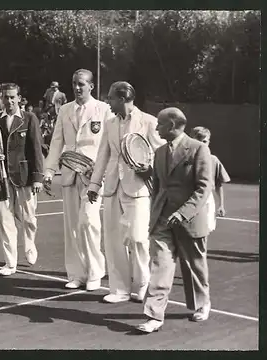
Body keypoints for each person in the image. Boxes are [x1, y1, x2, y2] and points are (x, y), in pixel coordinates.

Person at [136, 107, 213, 333]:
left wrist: (182, 213)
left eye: (160, 124)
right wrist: (155, 214)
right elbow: (158, 188)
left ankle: (202, 303)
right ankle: (154, 315)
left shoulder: (199, 149)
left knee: (195, 265)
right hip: (162, 220)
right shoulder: (159, 153)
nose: (156, 127)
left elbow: (203, 188)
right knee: (161, 264)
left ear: (171, 125)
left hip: (188, 220)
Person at [87, 81, 165, 303]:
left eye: (110, 98)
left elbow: (161, 154)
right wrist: (94, 185)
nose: (108, 102)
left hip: (138, 189)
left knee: (138, 238)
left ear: (122, 99)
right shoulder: (109, 123)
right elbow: (103, 155)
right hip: (112, 187)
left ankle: (142, 284)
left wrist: (149, 169)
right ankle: (119, 289)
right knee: (113, 239)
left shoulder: (149, 122)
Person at [44, 69, 113, 291]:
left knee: (88, 221)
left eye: (81, 84)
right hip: (69, 174)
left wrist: (104, 171)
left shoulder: (104, 109)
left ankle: (95, 272)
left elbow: (110, 143)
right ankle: (76, 273)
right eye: (74, 83)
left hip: (93, 176)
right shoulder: (64, 110)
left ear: (91, 86)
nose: (77, 87)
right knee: (72, 226)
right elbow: (56, 142)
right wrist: (48, 170)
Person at [0, 83, 44, 276]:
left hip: (25, 176)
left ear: (19, 98)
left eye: (12, 97)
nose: (9, 101)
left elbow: (36, 149)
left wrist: (37, 178)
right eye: (5, 97)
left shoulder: (29, 118)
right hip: (1, 177)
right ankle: (10, 263)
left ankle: (29, 244)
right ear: (1, 99)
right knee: (5, 219)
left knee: (29, 218)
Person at [189, 126, 230, 232]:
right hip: (188, 198)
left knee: (206, 229)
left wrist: (221, 205)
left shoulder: (213, 160)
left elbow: (218, 184)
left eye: (205, 141)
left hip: (207, 198)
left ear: (209, 142)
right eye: (198, 141)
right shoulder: (184, 158)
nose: (202, 144)